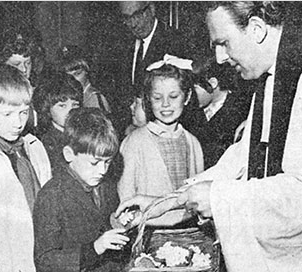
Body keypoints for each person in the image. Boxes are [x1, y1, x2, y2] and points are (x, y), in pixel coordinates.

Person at [116, 2, 302, 272]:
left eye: (224, 43)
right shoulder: (269, 77)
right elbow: (242, 158)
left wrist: (218, 197)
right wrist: (169, 201)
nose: (220, 58)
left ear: (257, 29)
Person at [33, 107, 129, 272]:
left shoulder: (106, 187)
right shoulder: (52, 195)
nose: (102, 170)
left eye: (107, 162)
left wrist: (121, 226)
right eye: (94, 162)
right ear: (69, 154)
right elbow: (45, 263)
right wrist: (95, 249)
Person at [0, 64, 51, 272]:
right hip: (5, 270)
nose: (18, 122)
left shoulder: (33, 146)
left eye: (23, 112)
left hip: (41, 260)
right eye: (7, 114)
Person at [118, 55, 204, 226]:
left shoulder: (192, 142)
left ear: (186, 98)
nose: (165, 104)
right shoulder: (134, 142)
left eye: (173, 96)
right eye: (157, 98)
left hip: (187, 231)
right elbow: (126, 196)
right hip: (148, 230)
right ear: (148, 99)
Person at [113, 1, 191, 138]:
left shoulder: (175, 41)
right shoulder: (121, 45)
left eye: (137, 14)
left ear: (152, 9)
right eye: (127, 18)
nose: (133, 23)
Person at [184, 57, 252, 169]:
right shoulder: (191, 112)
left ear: (213, 83)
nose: (189, 96)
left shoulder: (241, 111)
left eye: (194, 89)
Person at [32, 72, 83, 172]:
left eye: (75, 105)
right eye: (62, 106)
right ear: (47, 108)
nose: (70, 111)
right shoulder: (46, 141)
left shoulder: (81, 134)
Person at [58, 45, 112, 115]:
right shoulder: (72, 96)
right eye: (68, 75)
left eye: (77, 74)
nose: (73, 79)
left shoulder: (95, 98)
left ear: (87, 71)